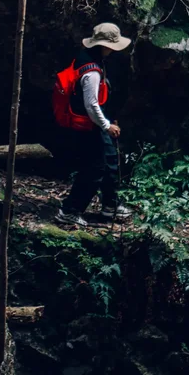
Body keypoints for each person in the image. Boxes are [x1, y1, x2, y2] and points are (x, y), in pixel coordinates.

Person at [55, 22, 133, 228]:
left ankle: (111, 205)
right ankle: (70, 211)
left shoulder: (89, 58)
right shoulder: (92, 71)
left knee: (109, 160)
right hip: (87, 125)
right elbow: (91, 104)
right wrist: (107, 125)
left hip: (91, 123)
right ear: (105, 45)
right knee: (93, 169)